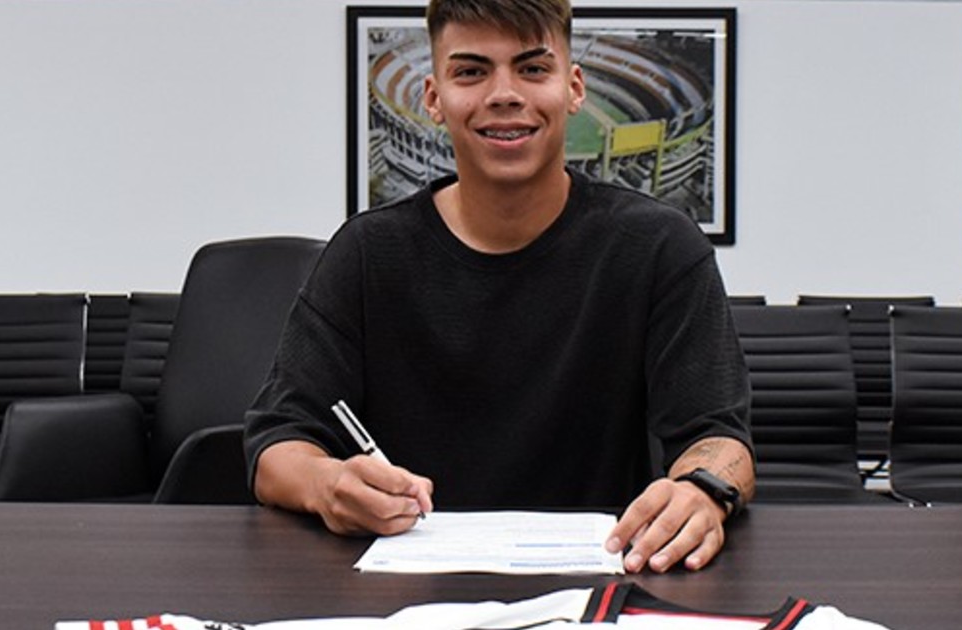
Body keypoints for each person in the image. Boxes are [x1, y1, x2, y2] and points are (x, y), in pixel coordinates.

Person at [244, 0, 754, 574]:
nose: (504, 94)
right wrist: (327, 483)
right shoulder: (366, 253)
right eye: (471, 71)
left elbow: (720, 438)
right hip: (402, 591)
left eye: (532, 68)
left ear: (574, 88)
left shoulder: (661, 247)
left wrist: (702, 491)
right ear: (434, 98)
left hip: (598, 581)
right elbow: (276, 444)